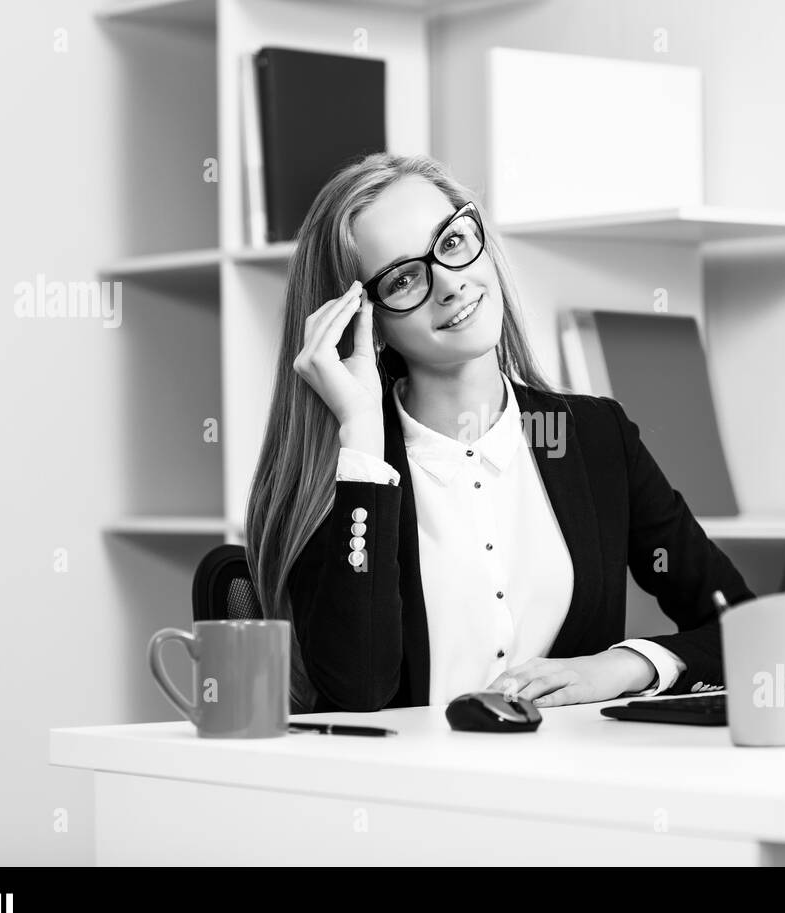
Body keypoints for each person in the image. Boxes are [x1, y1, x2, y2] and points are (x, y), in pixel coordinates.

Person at [245, 152, 755, 713]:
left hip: (571, 788)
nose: (451, 285)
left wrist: (624, 666)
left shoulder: (593, 437)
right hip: (404, 791)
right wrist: (362, 436)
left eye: (453, 243)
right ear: (365, 321)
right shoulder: (347, 473)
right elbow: (358, 690)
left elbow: (742, 625)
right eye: (405, 278)